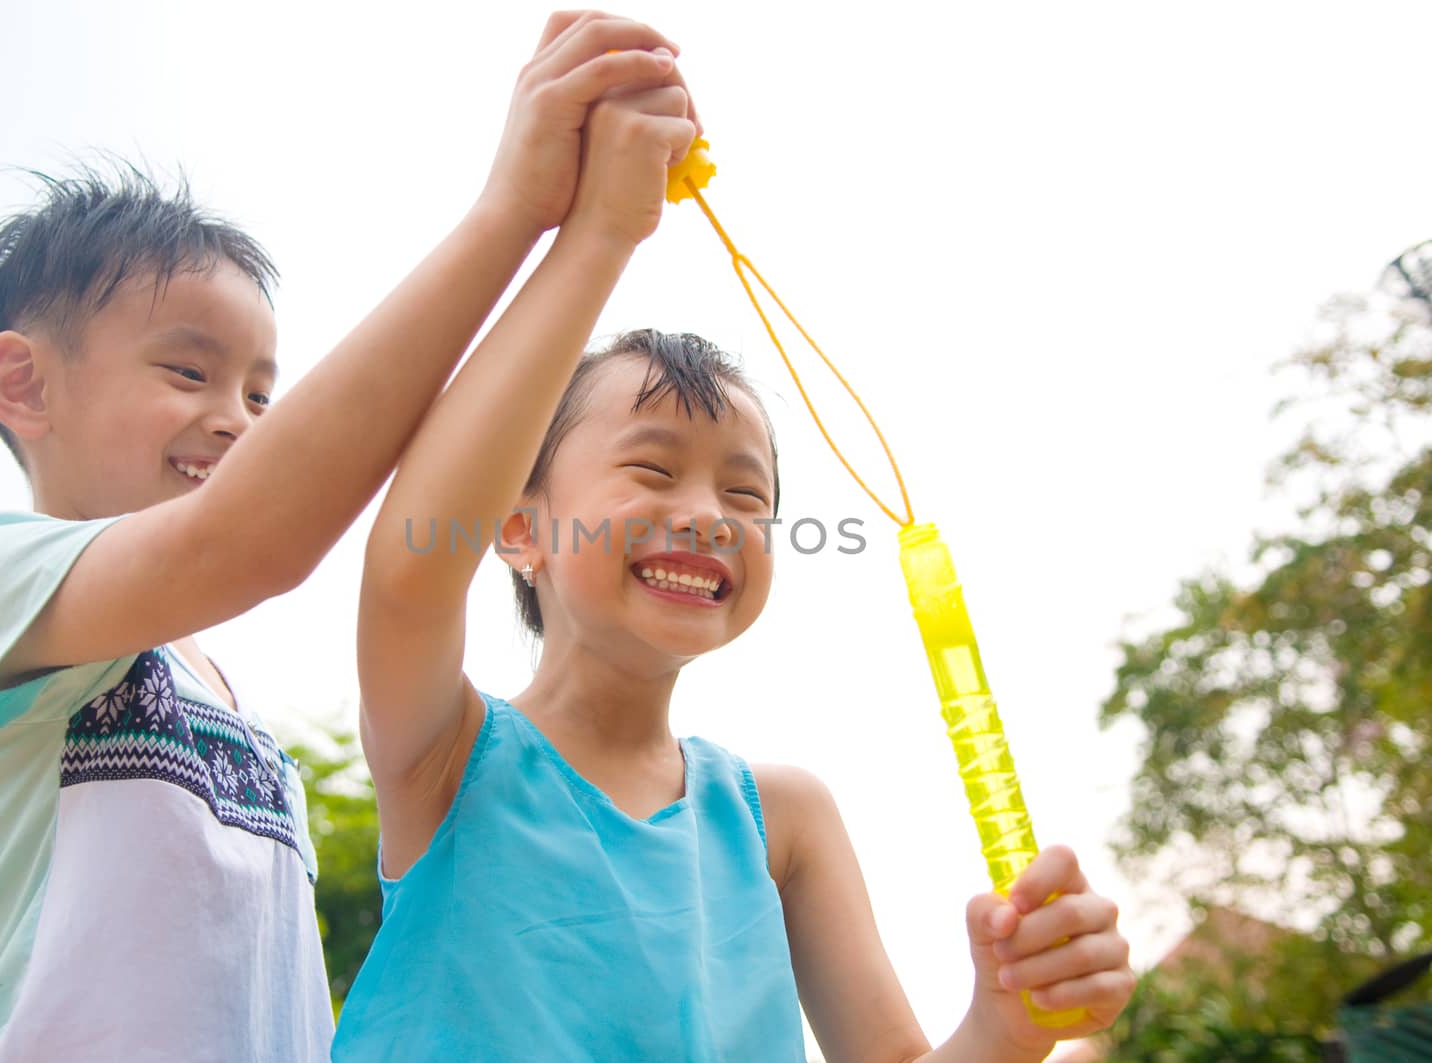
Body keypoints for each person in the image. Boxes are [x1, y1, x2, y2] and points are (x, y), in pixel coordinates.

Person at [0, 13, 693, 1061]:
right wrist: (516, 214)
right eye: (189, 372)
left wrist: (592, 233)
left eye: (264, 393)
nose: (238, 418)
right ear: (24, 383)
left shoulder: (234, 717)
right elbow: (257, 537)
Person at [336, 98, 1135, 1063]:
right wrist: (598, 235)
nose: (712, 512)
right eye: (652, 468)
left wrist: (1006, 1026)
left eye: (747, 491)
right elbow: (407, 578)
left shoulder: (782, 821)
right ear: (516, 527)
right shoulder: (446, 756)